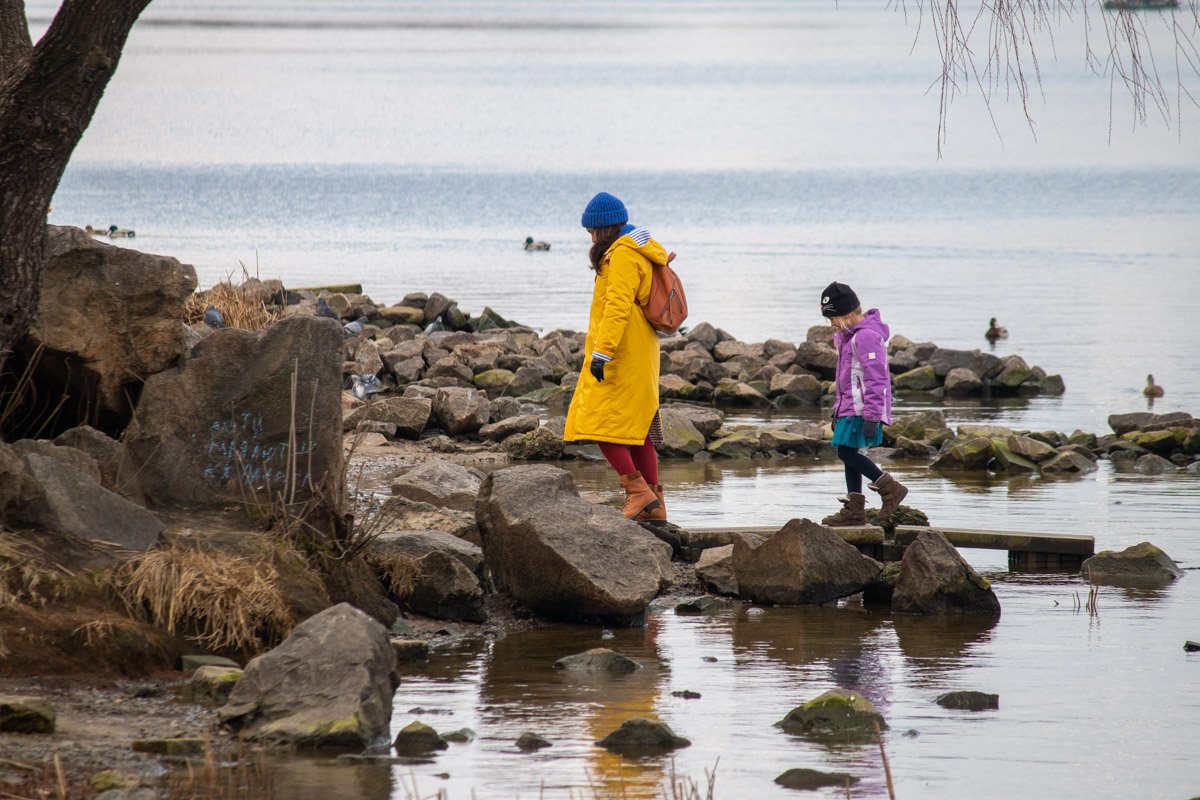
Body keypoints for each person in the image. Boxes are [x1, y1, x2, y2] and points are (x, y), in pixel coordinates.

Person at [563, 191, 670, 520]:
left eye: (592, 231)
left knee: (597, 424)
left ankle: (638, 493)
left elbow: (617, 308)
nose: (590, 238)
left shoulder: (622, 254)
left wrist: (602, 353)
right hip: (640, 348)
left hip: (623, 351)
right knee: (637, 430)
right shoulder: (635, 249)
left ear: (603, 229)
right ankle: (655, 505)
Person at [819, 281, 908, 526]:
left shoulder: (866, 337)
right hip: (848, 407)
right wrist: (837, 411)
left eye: (833, 318)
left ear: (848, 314)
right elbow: (847, 377)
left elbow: (877, 378)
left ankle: (890, 488)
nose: (832, 324)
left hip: (862, 408)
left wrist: (872, 415)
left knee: (845, 451)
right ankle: (855, 510)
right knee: (849, 451)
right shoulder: (849, 338)